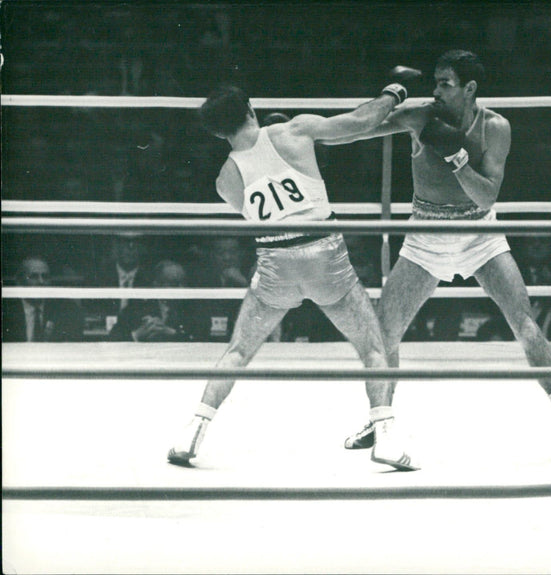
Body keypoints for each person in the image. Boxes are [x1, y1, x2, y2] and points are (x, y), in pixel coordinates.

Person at [326, 50, 551, 460]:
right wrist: (391, 95)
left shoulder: (495, 127)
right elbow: (352, 130)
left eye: (445, 84)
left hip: (480, 233)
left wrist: (455, 158)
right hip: (426, 234)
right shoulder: (420, 117)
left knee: (526, 326)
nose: (435, 91)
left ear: (470, 89)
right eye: (434, 82)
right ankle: (380, 420)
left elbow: (487, 193)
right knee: (384, 334)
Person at [168, 79, 418, 470]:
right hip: (325, 257)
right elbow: (359, 122)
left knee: (238, 351)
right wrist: (394, 92)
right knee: (373, 347)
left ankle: (193, 431)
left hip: (274, 266)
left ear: (218, 131)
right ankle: (385, 434)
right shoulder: (292, 130)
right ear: (250, 108)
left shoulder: (224, 180)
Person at [109, 259, 201, 342]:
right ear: (157, 285)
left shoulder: (194, 307)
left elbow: (203, 337)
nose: (182, 289)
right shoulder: (138, 306)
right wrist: (137, 334)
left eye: (184, 283)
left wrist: (170, 332)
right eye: (175, 284)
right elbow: (113, 338)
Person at [2, 255, 85, 342]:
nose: (41, 282)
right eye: (33, 276)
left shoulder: (66, 309)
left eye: (45, 277)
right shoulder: (6, 310)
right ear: (19, 281)